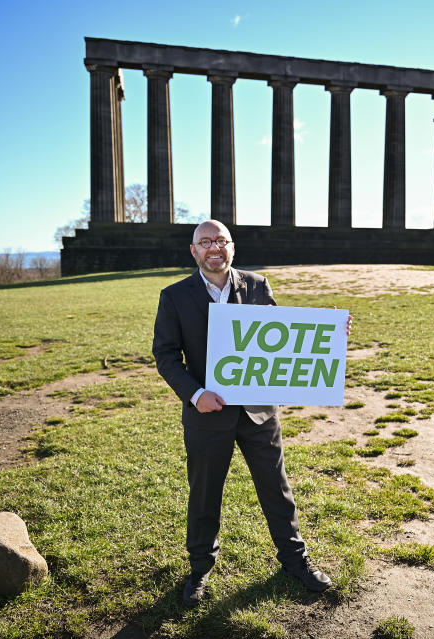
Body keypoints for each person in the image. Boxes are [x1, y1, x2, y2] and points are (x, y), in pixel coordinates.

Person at [152, 219, 338, 607]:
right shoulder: (174, 296)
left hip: (258, 413)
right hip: (207, 413)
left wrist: (332, 333)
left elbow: (278, 338)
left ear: (232, 248)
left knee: (277, 489)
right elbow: (166, 355)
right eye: (205, 242)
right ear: (193, 251)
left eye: (221, 241)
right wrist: (195, 393)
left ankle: (294, 560)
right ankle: (200, 568)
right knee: (204, 495)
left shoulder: (257, 285)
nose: (214, 248)